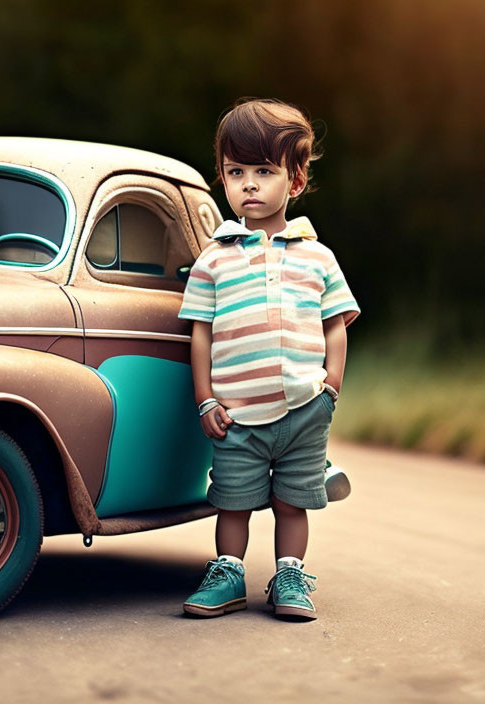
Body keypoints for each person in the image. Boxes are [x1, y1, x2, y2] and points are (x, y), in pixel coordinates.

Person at [178, 98, 359, 620]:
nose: (249, 184)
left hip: (305, 407)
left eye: (264, 171)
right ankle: (228, 573)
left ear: (295, 180)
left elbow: (335, 325)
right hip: (236, 413)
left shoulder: (316, 256)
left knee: (292, 501)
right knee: (231, 499)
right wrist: (205, 398)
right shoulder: (215, 259)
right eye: (236, 172)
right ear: (223, 179)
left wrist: (330, 389)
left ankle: (289, 576)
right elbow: (201, 334)